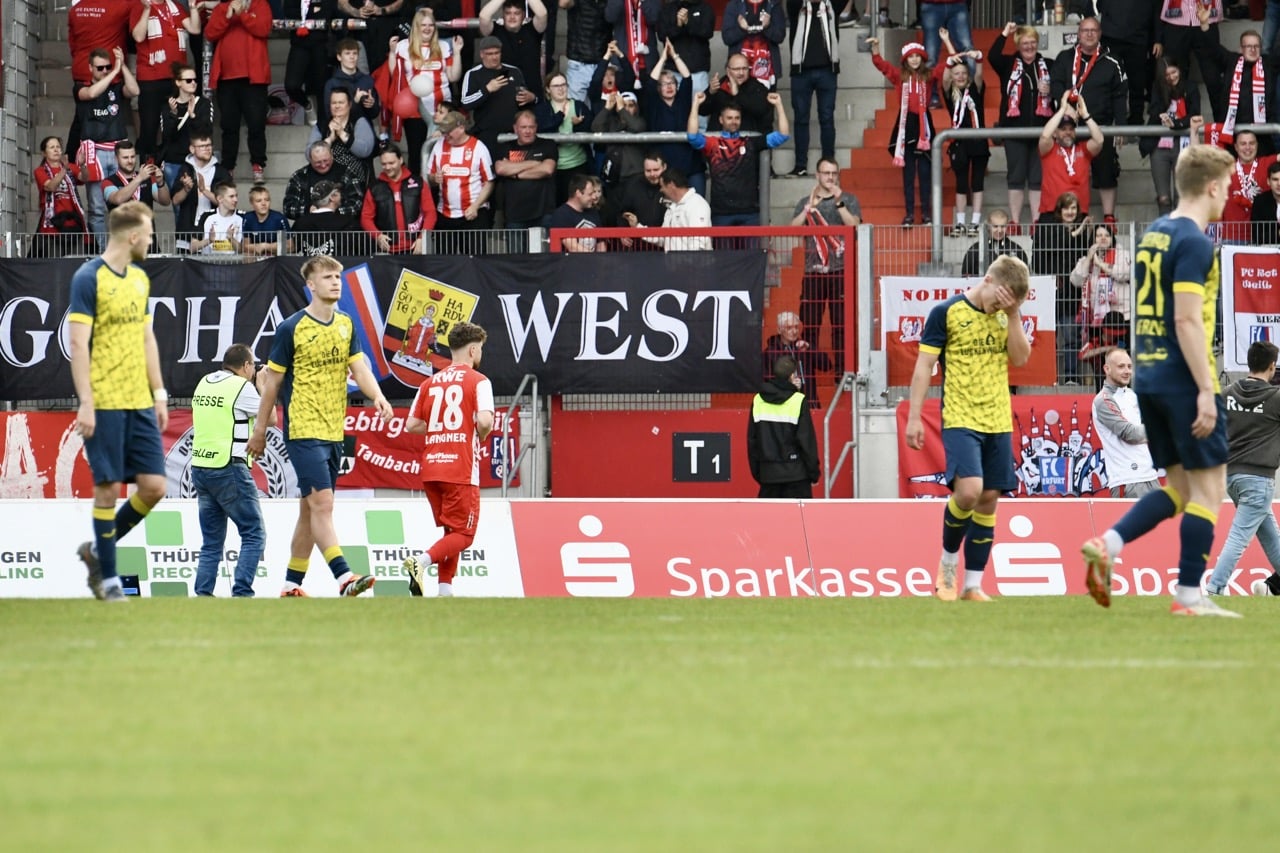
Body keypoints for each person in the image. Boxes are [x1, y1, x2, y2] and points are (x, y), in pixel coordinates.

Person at [1080, 143, 1240, 617]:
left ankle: (1108, 543)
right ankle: (1190, 596)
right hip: (1184, 379)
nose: (1228, 194)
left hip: (1148, 377)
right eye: (1227, 186)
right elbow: (1188, 321)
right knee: (1210, 491)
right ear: (1212, 187)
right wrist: (1208, 391)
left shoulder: (1154, 234)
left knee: (1178, 491)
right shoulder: (1194, 243)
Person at [248, 255, 394, 597]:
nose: (335, 282)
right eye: (327, 277)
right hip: (303, 428)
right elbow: (271, 383)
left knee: (309, 511)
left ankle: (290, 584)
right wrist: (260, 430)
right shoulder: (291, 328)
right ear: (310, 285)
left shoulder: (345, 324)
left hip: (333, 429)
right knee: (323, 505)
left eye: (338, 277)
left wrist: (378, 396)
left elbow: (360, 369)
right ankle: (344, 577)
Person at [906, 254, 1031, 602]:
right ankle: (946, 567)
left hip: (998, 417)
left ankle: (972, 585)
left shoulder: (1007, 316)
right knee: (969, 491)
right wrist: (915, 417)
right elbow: (924, 367)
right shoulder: (946, 313)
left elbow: (1020, 359)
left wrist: (1014, 315)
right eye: (998, 300)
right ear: (988, 280)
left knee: (989, 498)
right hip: (960, 416)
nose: (997, 308)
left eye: (1008, 304)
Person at [70, 201, 169, 602]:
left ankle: (97, 550)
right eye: (147, 233)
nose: (150, 239)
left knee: (154, 487)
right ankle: (109, 581)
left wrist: (159, 392)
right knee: (107, 489)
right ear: (132, 236)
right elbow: (78, 344)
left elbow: (148, 339)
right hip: (106, 400)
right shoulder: (88, 277)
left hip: (139, 401)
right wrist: (86, 401)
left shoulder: (140, 280)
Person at [402, 322, 495, 597]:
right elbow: (487, 420)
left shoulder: (429, 383)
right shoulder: (480, 381)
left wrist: (441, 429)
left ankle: (445, 590)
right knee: (464, 535)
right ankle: (419, 562)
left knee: (451, 531)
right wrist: (479, 432)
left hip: (432, 467)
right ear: (474, 349)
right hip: (460, 468)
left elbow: (412, 424)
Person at [191, 343, 272, 598]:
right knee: (254, 533)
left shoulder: (205, 382)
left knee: (211, 542)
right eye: (253, 366)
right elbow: (270, 418)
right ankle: (242, 593)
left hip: (201, 468)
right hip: (229, 469)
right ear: (247, 366)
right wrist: (263, 386)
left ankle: (203, 595)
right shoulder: (242, 387)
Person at [1207, 340, 1280, 596]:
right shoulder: (1275, 398)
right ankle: (1215, 588)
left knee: (1270, 535)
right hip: (1259, 479)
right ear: (1272, 366)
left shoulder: (1227, 394)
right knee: (1238, 538)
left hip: (1232, 476)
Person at [1049, 16, 1128, 222]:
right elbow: (1056, 85)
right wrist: (1065, 106)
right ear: (1078, 33)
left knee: (1107, 172)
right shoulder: (1065, 58)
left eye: (1094, 30)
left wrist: (1121, 126)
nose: (1090, 34)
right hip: (1069, 127)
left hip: (1100, 127)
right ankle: (1069, 216)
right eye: (1085, 30)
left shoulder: (1113, 60)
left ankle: (1109, 217)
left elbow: (1120, 95)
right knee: (1069, 172)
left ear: (1100, 33)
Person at [790, 159, 860, 375]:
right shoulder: (805, 200)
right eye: (826, 173)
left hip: (841, 271)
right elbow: (792, 228)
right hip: (814, 271)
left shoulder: (848, 199)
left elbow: (855, 226)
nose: (830, 177)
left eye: (834, 173)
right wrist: (807, 209)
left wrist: (839, 203)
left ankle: (843, 374)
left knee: (841, 325)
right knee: (810, 325)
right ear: (817, 175)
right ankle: (807, 372)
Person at [869, 38, 945, 226]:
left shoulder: (928, 75)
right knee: (908, 174)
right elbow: (882, 66)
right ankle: (910, 214)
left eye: (917, 56)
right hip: (905, 124)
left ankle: (927, 214)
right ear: (905, 59)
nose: (914, 60)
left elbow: (945, 67)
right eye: (911, 57)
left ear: (922, 58)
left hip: (924, 125)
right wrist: (876, 49)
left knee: (926, 173)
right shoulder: (899, 75)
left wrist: (945, 42)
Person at [687, 89, 790, 227]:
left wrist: (779, 105)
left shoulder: (750, 142)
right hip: (721, 213)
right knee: (723, 250)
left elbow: (783, 135)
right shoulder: (713, 143)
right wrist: (695, 105)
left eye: (737, 118)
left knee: (752, 250)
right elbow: (692, 136)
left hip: (750, 212)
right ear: (721, 120)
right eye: (729, 118)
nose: (734, 122)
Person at [990, 22, 1053, 233]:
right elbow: (992, 56)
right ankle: (1015, 222)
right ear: (1018, 44)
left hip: (1041, 131)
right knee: (1016, 177)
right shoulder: (1008, 64)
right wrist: (1005, 32)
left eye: (1033, 42)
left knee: (1037, 179)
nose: (1029, 46)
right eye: (1025, 43)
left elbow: (1063, 89)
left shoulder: (1048, 65)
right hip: (1013, 130)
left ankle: (1036, 221)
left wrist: (1050, 89)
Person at [386, 8, 463, 174]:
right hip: (415, 111)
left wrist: (457, 53)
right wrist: (392, 53)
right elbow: (395, 76)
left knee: (444, 153)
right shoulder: (403, 46)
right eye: (423, 25)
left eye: (431, 25)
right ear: (416, 26)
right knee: (417, 154)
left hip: (443, 109)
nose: (427, 28)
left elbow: (453, 76)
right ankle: (418, 193)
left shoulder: (443, 46)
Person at [76, 47, 140, 246]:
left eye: (108, 67)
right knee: (96, 207)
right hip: (95, 152)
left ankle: (124, 247)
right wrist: (114, 72)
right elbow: (93, 92)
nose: (104, 70)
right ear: (90, 68)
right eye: (100, 68)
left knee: (124, 202)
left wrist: (122, 68)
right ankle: (103, 251)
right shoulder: (80, 86)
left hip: (118, 151)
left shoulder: (116, 87)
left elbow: (135, 91)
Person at [205, 0, 272, 184]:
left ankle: (258, 165)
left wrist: (242, 14)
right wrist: (227, 17)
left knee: (256, 124)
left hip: (254, 78)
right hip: (227, 78)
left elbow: (263, 28)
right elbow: (210, 33)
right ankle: (228, 168)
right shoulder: (222, 7)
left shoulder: (260, 5)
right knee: (228, 126)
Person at [130, 0, 202, 163]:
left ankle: (172, 166)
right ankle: (148, 174)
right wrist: (147, 10)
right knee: (149, 128)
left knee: (177, 125)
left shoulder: (175, 6)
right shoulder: (139, 7)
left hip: (175, 79)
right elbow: (138, 36)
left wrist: (193, 9)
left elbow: (195, 28)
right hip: (151, 78)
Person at [1033, 191, 1093, 385]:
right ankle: (1047, 376)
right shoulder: (1049, 227)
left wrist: (1084, 231)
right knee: (1048, 337)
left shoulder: (1084, 229)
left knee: (1070, 335)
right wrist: (1075, 232)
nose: (1070, 212)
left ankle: (1070, 377)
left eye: (1074, 208)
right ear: (1059, 209)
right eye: (1066, 207)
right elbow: (1046, 254)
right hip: (1051, 289)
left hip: (1072, 292)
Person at [747, 355, 820, 498]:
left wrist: (760, 473)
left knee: (769, 520)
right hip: (797, 476)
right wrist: (813, 473)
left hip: (769, 477)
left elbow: (752, 442)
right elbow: (807, 442)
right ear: (792, 376)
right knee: (799, 520)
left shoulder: (758, 400)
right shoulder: (798, 400)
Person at [938, 29, 988, 236]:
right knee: (961, 183)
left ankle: (975, 222)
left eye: (963, 74)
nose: (959, 76)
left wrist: (979, 58)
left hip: (977, 140)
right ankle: (960, 222)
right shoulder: (951, 92)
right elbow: (946, 75)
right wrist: (947, 41)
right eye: (956, 74)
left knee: (977, 182)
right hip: (959, 142)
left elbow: (978, 73)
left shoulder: (976, 88)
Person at [1092, 348, 1161, 498]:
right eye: (1121, 366)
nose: (1127, 371)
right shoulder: (1103, 400)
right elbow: (1130, 434)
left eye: (1129, 366)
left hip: (1150, 476)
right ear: (1107, 369)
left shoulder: (1132, 395)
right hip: (1127, 481)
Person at [427, 109, 497, 253]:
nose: (446, 135)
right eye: (444, 131)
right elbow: (430, 176)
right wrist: (434, 178)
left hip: (472, 215)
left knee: (474, 261)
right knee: (445, 262)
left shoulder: (478, 148)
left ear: (461, 128)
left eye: (449, 131)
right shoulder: (439, 145)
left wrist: (476, 206)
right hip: (445, 213)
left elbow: (489, 181)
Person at [785, 0, 840, 180]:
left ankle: (829, 165)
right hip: (801, 72)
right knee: (801, 118)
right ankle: (800, 165)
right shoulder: (797, 5)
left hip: (827, 71)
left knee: (827, 117)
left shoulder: (832, 5)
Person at [1142, 58, 1203, 216]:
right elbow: (1154, 112)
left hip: (1183, 145)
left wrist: (1175, 124)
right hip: (1160, 148)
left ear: (1180, 70)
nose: (1171, 77)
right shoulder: (1157, 88)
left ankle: (1179, 233)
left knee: (1180, 196)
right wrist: (1166, 95)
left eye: (1174, 72)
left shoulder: (1190, 87)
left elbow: (1195, 114)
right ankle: (1165, 235)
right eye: (1166, 75)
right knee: (1163, 198)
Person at [1070, 222, 1131, 374]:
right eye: (1099, 235)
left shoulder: (1122, 255)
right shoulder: (1086, 259)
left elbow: (1123, 274)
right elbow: (1076, 280)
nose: (1103, 239)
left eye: (1107, 235)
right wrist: (1090, 259)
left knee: (1121, 357)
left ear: (1112, 238)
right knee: (1098, 361)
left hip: (1121, 315)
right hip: (1095, 319)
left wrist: (1100, 264)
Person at [461, 35, 536, 156]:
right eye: (490, 54)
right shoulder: (473, 74)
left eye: (497, 53)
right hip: (487, 135)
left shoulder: (514, 71)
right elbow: (466, 103)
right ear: (482, 54)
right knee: (491, 171)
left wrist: (531, 98)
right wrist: (487, 89)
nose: (494, 57)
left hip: (514, 134)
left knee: (514, 170)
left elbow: (527, 96)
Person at [1207, 28, 1277, 154]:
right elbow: (1212, 48)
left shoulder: (1268, 63)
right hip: (1232, 134)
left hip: (1262, 135)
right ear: (1241, 49)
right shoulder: (1231, 61)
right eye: (1248, 46)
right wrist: (1205, 26)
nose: (1253, 49)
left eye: (1256, 46)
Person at [493, 109, 559, 240]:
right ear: (515, 128)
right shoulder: (505, 147)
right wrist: (534, 163)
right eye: (523, 127)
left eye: (531, 127)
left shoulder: (547, 145)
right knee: (516, 259)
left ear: (536, 128)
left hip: (543, 213)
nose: (527, 131)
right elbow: (501, 169)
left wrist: (515, 173)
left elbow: (547, 170)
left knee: (544, 259)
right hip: (515, 214)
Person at [1037, 97, 1104, 220]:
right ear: (1055, 133)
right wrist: (1062, 110)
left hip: (1078, 213)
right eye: (1063, 129)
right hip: (1052, 212)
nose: (1068, 132)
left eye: (1071, 129)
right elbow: (1045, 136)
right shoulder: (1049, 149)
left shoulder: (1083, 149)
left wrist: (1086, 115)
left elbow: (1099, 140)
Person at [362, 143, 435, 253]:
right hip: (387, 250)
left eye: (391, 163)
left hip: (415, 248)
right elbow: (366, 217)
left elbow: (430, 213)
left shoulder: (418, 183)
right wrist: (378, 236)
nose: (387, 167)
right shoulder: (375, 187)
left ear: (401, 160)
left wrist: (422, 238)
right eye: (384, 164)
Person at [536, 71, 593, 204]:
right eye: (556, 86)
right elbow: (542, 129)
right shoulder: (542, 109)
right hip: (554, 167)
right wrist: (560, 116)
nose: (561, 88)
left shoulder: (579, 106)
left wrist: (578, 126)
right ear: (548, 89)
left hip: (578, 164)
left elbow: (591, 130)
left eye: (563, 84)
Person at [622, 167, 712, 251]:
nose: (661, 190)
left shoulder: (696, 205)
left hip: (693, 266)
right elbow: (663, 237)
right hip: (674, 266)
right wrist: (637, 226)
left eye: (662, 186)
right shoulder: (671, 208)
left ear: (671, 185)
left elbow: (699, 244)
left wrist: (688, 265)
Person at [171, 131, 233, 252]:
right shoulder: (185, 169)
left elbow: (228, 203)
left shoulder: (221, 171)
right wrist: (186, 189)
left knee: (216, 268)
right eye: (202, 146)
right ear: (192, 149)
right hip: (188, 230)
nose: (207, 149)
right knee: (186, 269)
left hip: (216, 231)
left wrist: (205, 191)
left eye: (209, 145)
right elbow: (175, 200)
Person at [480, 0, 550, 101]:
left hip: (531, 95)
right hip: (502, 97)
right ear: (503, 15)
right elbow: (483, 16)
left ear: (523, 15)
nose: (512, 17)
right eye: (508, 13)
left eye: (516, 13)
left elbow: (542, 14)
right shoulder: (495, 31)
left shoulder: (532, 30)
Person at [282, 141, 367, 225]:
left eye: (326, 160)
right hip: (310, 229)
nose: (323, 165)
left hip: (341, 227)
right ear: (310, 159)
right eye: (318, 162)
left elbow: (357, 204)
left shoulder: (346, 173)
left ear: (332, 155)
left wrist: (330, 212)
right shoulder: (299, 176)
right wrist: (309, 210)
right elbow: (288, 208)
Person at [307, 87, 378, 187]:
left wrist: (342, 134)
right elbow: (309, 154)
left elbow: (364, 151)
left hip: (355, 178)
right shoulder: (322, 125)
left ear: (349, 104)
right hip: (326, 177)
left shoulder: (359, 121)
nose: (337, 106)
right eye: (334, 103)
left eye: (341, 103)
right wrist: (329, 141)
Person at [32, 136, 89, 258]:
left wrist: (83, 165)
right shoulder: (40, 171)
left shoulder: (71, 167)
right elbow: (50, 187)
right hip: (52, 222)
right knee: (54, 259)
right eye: (52, 147)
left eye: (58, 147)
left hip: (72, 221)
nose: (56, 150)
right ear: (44, 153)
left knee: (73, 259)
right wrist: (64, 170)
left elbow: (84, 178)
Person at [760, 310, 832, 407]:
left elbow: (827, 365)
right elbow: (767, 382)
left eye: (796, 327)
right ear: (779, 330)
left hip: (807, 402)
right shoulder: (770, 353)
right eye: (789, 328)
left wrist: (810, 348)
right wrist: (787, 383)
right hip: (784, 404)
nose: (794, 331)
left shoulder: (804, 347)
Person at [1221, 130, 1277, 243]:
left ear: (1257, 145)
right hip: (1232, 238)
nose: (1248, 147)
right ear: (1236, 147)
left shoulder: (1266, 163)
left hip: (1261, 238)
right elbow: (1196, 164)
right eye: (1243, 144)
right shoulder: (1225, 168)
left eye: (1251, 143)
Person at [701, 53, 773, 136]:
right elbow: (702, 111)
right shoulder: (719, 85)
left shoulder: (757, 87)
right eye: (737, 69)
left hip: (748, 141)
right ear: (728, 71)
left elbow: (761, 110)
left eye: (745, 69)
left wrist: (737, 95)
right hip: (719, 142)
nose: (741, 73)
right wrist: (710, 93)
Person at [720, 0, 786, 89]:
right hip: (740, 70)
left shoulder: (774, 4)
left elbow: (779, 37)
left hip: (766, 70)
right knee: (738, 101)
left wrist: (768, 27)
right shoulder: (734, 5)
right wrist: (741, 29)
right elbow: (727, 38)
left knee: (766, 101)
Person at [659, 0, 716, 102]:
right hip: (673, 71)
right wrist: (678, 25)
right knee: (673, 112)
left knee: (700, 110)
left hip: (698, 72)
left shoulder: (705, 8)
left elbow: (708, 31)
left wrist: (688, 22)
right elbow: (662, 35)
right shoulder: (667, 9)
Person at [321, 38, 382, 130]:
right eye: (347, 53)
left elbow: (374, 114)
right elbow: (329, 114)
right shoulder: (332, 84)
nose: (352, 57)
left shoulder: (367, 80)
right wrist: (355, 102)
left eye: (355, 53)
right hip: (341, 131)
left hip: (365, 131)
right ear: (339, 57)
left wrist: (372, 105)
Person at [293, 180, 367, 255]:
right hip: (342, 266)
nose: (341, 196)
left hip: (310, 265)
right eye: (338, 193)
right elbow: (365, 249)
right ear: (332, 197)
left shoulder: (300, 223)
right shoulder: (348, 223)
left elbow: (293, 247)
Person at [592, 90, 646, 187]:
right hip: (614, 175)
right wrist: (607, 108)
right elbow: (595, 128)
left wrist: (621, 109)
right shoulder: (612, 122)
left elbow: (637, 127)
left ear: (636, 108)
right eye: (623, 105)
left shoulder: (640, 121)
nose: (627, 109)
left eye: (631, 105)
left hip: (636, 175)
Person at [563, 0, 613, 103]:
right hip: (578, 65)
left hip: (602, 65)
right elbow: (563, 3)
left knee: (601, 112)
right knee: (577, 112)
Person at [548, 173, 606, 251]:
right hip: (572, 262)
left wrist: (601, 260)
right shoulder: (561, 215)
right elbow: (572, 246)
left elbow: (600, 242)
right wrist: (595, 259)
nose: (594, 197)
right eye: (590, 194)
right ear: (578, 193)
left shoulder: (593, 212)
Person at [960, 209, 1027, 277]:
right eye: (995, 226)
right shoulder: (976, 249)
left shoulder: (1016, 249)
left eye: (1003, 226)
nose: (999, 230)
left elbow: (1025, 276)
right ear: (988, 226)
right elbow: (965, 275)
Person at [191, 181, 243, 254]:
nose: (236, 200)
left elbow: (245, 251)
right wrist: (209, 240)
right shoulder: (206, 216)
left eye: (236, 196)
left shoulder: (242, 217)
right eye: (231, 196)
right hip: (209, 263)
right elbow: (192, 247)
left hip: (233, 264)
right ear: (220, 198)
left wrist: (231, 239)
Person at [241, 185, 293, 256]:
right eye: (258, 201)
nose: (263, 204)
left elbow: (289, 247)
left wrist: (266, 246)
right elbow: (245, 246)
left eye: (267, 200)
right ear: (252, 203)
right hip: (255, 259)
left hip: (275, 259)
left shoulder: (278, 219)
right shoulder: (248, 218)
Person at [1251, 161, 1280, 243]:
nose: (1279, 184)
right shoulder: (1260, 202)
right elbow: (1257, 236)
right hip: (1267, 252)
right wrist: (1278, 233)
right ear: (1268, 181)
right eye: (1275, 179)